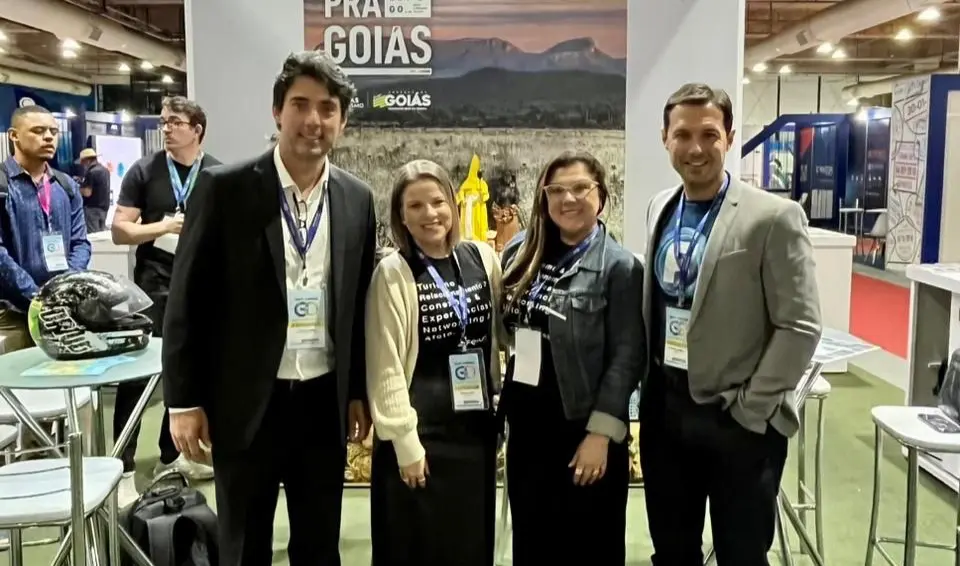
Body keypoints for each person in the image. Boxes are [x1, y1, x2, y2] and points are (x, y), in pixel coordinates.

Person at [162, 51, 377, 566]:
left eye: (327, 108)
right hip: (245, 404)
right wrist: (183, 401)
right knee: (244, 543)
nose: (313, 120)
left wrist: (357, 392)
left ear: (342, 121)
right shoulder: (225, 189)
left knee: (319, 542)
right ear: (277, 111)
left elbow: (357, 304)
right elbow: (186, 300)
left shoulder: (356, 199)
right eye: (300, 104)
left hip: (323, 402)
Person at [639, 83, 822, 566]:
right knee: (673, 550)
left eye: (709, 134)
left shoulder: (774, 217)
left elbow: (800, 326)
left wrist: (751, 408)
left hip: (737, 420)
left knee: (741, 553)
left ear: (730, 136)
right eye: (682, 134)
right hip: (667, 411)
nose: (695, 148)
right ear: (664, 138)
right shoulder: (660, 207)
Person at [499, 150, 644, 565]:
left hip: (583, 429)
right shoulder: (520, 254)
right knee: (533, 541)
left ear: (602, 196)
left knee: (588, 545)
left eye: (581, 188)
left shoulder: (618, 267)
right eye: (557, 190)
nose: (568, 199)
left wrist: (600, 435)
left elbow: (627, 356)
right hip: (529, 428)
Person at [366, 159, 503, 566]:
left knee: (468, 543)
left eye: (439, 201)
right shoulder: (393, 273)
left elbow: (501, 331)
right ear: (401, 217)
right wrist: (405, 443)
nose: (430, 214)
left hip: (474, 434)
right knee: (417, 547)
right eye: (416, 206)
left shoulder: (481, 257)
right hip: (420, 437)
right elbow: (385, 364)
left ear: (455, 205)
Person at [110, 95, 219, 503]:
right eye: (164, 121)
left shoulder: (217, 174)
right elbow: (121, 230)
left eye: (175, 122)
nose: (167, 128)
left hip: (200, 288)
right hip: (152, 285)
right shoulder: (145, 170)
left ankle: (171, 457)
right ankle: (120, 465)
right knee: (137, 377)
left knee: (189, 373)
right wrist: (163, 226)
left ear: (197, 129)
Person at [0, 105, 89, 352]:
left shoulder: (65, 185)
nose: (49, 137)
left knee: (67, 386)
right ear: (13, 135)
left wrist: (65, 289)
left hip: (63, 311)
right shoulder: (3, 185)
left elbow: (80, 241)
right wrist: (37, 297)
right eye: (38, 131)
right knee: (17, 386)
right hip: (13, 315)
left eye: (53, 131)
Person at [76, 148, 111, 233]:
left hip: (92, 209)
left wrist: (76, 188)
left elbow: (87, 192)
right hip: (104, 207)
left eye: (83, 163)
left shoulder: (91, 172)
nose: (83, 165)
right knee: (101, 234)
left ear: (87, 161)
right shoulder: (105, 170)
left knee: (93, 235)